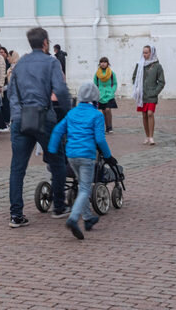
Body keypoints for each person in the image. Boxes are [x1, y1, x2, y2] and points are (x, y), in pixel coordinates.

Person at [8, 27, 71, 228]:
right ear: (45, 42)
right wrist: (68, 111)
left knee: (17, 167)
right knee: (57, 160)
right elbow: (60, 89)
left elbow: (12, 92)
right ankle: (59, 206)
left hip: (20, 118)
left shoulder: (20, 64)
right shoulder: (51, 62)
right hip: (44, 116)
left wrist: (17, 114)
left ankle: (16, 214)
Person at [48, 82, 115, 240]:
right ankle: (73, 218)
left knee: (80, 185)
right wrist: (108, 156)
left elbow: (58, 130)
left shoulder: (71, 113)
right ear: (95, 99)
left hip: (71, 155)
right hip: (87, 156)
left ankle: (88, 218)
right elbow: (100, 139)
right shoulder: (97, 115)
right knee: (85, 188)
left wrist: (51, 149)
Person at [131, 45, 165, 145]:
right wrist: (137, 87)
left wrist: (155, 92)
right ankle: (147, 136)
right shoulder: (139, 65)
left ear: (152, 53)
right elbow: (134, 77)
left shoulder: (157, 66)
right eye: (144, 53)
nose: (145, 55)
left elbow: (162, 81)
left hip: (151, 94)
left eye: (147, 52)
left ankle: (151, 136)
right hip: (141, 94)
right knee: (144, 114)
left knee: (150, 113)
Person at [94, 57, 117, 133]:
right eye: (101, 62)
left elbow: (115, 83)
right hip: (101, 95)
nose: (103, 64)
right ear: (99, 63)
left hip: (109, 94)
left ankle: (110, 126)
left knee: (108, 109)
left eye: (105, 62)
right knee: (103, 111)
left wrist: (112, 91)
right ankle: (106, 127)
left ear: (107, 63)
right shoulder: (97, 74)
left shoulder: (111, 73)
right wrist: (97, 91)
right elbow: (95, 84)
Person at [0, 45, 11, 129]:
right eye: (0, 52)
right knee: (0, 105)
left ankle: (6, 121)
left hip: (6, 86)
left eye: (3, 52)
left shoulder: (8, 63)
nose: (1, 54)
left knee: (6, 105)